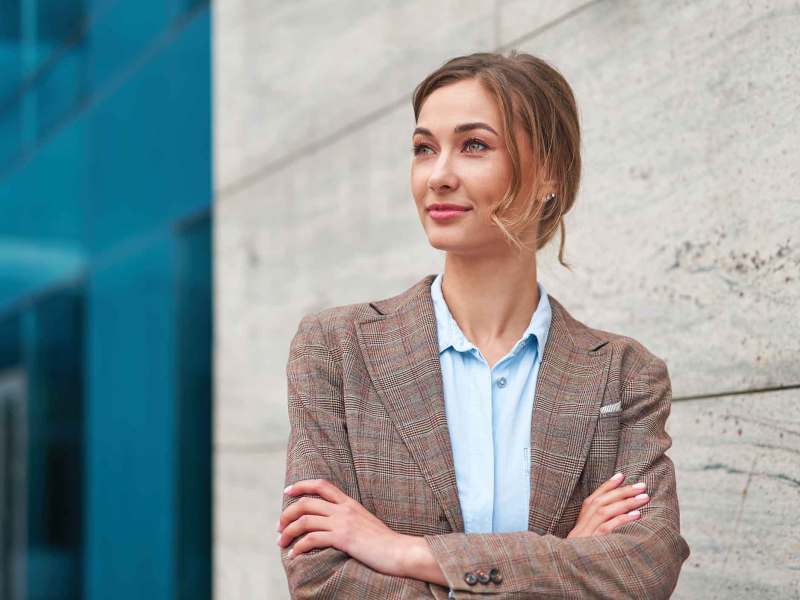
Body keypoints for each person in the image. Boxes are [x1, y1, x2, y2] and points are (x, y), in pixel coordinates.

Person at [276, 51, 690, 599]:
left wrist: (404, 551)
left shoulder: (624, 376)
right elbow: (321, 578)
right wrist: (561, 559)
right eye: (424, 149)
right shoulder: (337, 350)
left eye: (474, 145)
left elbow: (642, 571)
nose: (438, 176)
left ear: (549, 173)